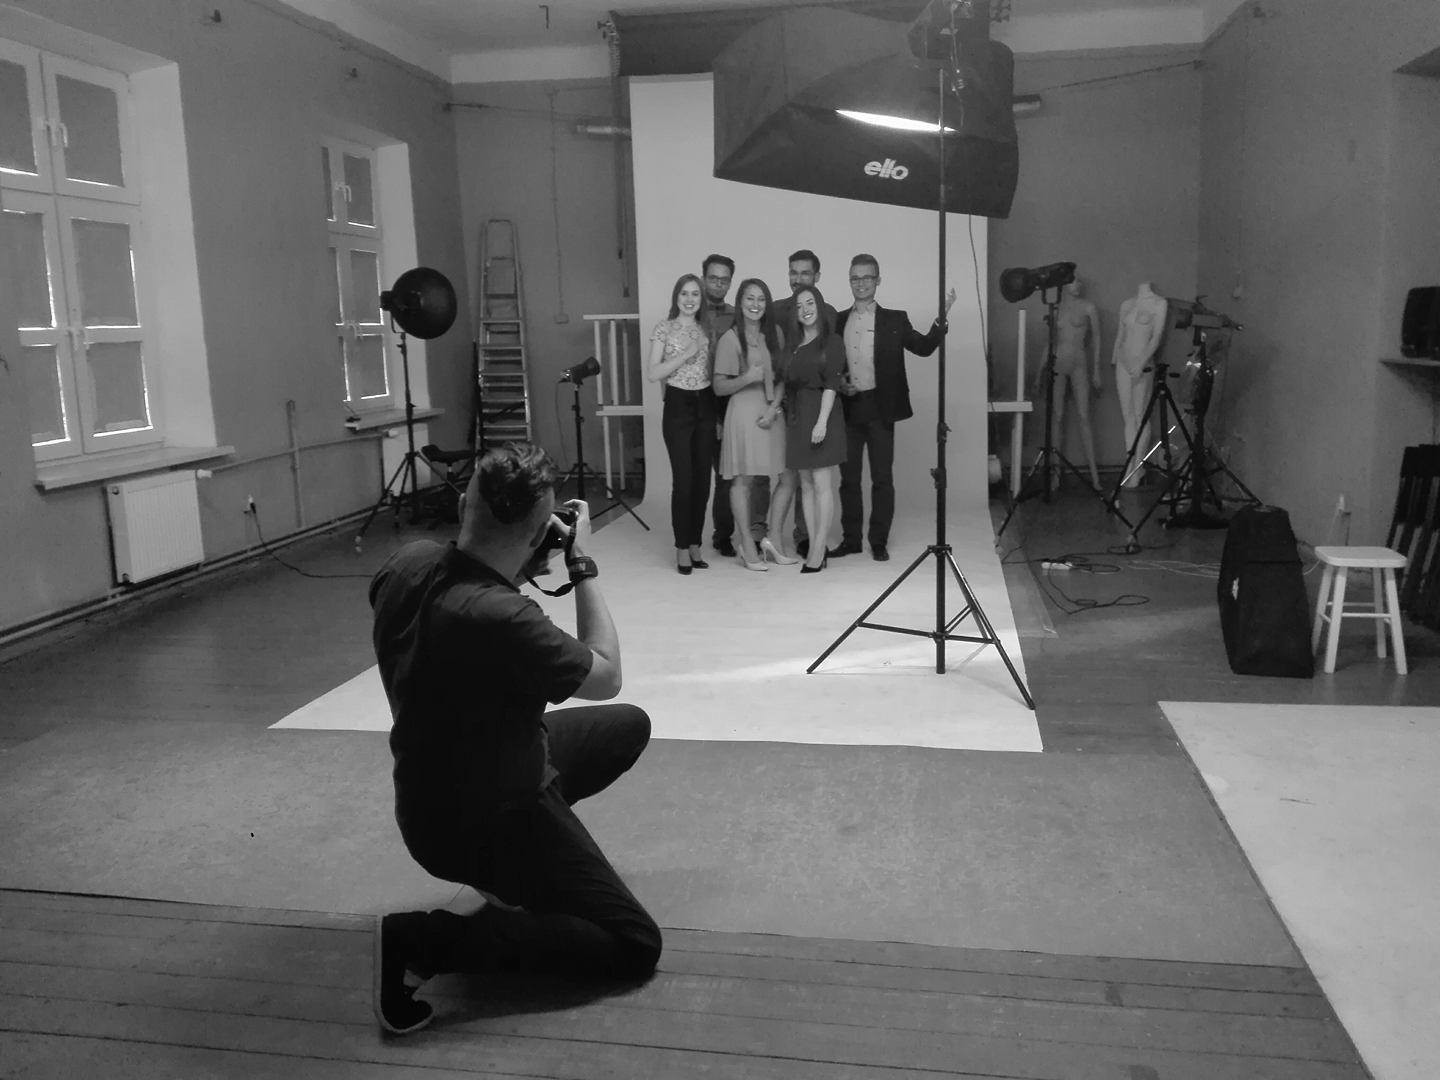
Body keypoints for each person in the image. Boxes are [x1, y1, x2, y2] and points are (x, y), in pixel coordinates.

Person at [369, 442, 661, 1036]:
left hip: (432, 792)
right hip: (487, 819)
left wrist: (517, 556)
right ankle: (422, 941)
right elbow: (606, 674)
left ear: (464, 506)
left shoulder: (404, 564)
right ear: (538, 533)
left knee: (626, 727)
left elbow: (457, 600)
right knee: (634, 943)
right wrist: (582, 564)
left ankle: (526, 874)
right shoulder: (502, 617)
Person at [830, 255, 954, 562]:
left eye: (867, 277)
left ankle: (878, 541)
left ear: (878, 281)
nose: (861, 283)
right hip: (848, 409)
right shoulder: (837, 320)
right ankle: (851, 540)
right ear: (850, 281)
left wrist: (941, 319)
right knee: (848, 480)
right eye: (855, 278)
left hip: (881, 409)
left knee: (882, 479)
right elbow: (829, 363)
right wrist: (839, 381)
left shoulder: (895, 319)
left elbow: (923, 348)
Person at [713, 277, 788, 570]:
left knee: (787, 476)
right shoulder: (730, 338)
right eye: (749, 298)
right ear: (740, 302)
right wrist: (747, 377)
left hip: (771, 412)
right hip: (743, 414)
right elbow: (719, 386)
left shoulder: (775, 333)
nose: (755, 305)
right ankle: (746, 543)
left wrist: (774, 408)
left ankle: (772, 539)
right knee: (743, 480)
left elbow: (782, 377)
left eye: (761, 299)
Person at [770, 249, 837, 558]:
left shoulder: (829, 315)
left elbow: (830, 366)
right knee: (786, 474)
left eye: (805, 273)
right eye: (793, 272)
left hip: (815, 407)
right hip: (783, 405)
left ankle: (808, 539)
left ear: (817, 277)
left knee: (812, 477)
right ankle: (765, 532)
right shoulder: (775, 311)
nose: (798, 279)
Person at [646, 273, 714, 574]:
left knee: (702, 481)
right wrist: (686, 354)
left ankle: (696, 542)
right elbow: (653, 373)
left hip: (705, 403)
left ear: (701, 299)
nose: (689, 299)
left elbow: (713, 369)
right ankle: (682, 546)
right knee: (683, 481)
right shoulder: (664, 328)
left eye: (695, 294)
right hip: (677, 404)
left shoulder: (706, 329)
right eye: (684, 293)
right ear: (676, 297)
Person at [778, 285, 846, 573]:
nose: (804, 309)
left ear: (819, 305)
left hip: (821, 415)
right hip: (797, 417)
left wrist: (821, 422)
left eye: (809, 303)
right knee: (805, 484)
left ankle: (819, 548)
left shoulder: (832, 341)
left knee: (821, 483)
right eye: (799, 305)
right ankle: (813, 542)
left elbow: (831, 384)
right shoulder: (793, 344)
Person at [1037, 277, 1103, 491]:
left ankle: (1095, 477)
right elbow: (1050, 343)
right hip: (1059, 362)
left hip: (1079, 363)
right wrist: (1039, 373)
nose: (1078, 285)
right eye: (1073, 282)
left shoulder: (1088, 307)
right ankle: (1055, 476)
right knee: (1057, 417)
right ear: (1065, 285)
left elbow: (1097, 339)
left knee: (1084, 416)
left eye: (1078, 282)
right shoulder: (1056, 309)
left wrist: (1096, 370)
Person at [699, 254, 742, 557]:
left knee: (726, 474)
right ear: (704, 278)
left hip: (726, 401)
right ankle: (688, 537)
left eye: (724, 279)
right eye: (713, 278)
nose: (718, 284)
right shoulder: (689, 310)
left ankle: (723, 534)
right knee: (696, 475)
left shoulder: (736, 316)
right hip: (695, 399)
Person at [1112, 281, 1169, 489]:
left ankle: (1138, 466)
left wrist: (1141, 362)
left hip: (1142, 365)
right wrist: (1115, 359)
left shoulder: (1159, 304)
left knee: (1140, 415)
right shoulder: (1127, 304)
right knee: (1128, 417)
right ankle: (1130, 466)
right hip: (1123, 363)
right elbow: (1120, 336)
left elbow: (1156, 338)